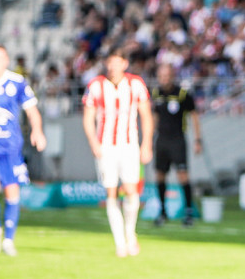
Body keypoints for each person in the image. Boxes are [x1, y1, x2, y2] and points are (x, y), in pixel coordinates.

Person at [83, 47, 154, 257]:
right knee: (111, 192)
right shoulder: (96, 85)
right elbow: (88, 117)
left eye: (117, 62)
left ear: (124, 64)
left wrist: (146, 143)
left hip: (129, 144)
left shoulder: (136, 84)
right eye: (110, 62)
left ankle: (130, 233)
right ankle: (120, 242)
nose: (113, 67)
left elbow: (146, 115)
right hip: (106, 146)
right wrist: (93, 143)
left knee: (132, 191)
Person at [0, 45, 46, 256]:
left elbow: (32, 110)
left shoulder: (16, 82)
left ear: (7, 60)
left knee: (12, 190)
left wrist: (38, 131)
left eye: (0, 58)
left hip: (11, 147)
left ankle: (9, 239)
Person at [151, 64, 202, 227]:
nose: (164, 79)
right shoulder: (156, 93)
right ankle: (162, 212)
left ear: (172, 75)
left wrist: (197, 140)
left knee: (182, 175)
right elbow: (154, 117)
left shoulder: (182, 94)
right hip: (162, 140)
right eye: (162, 76)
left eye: (167, 76)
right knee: (160, 175)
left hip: (177, 139)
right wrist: (149, 138)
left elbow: (194, 117)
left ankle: (188, 212)